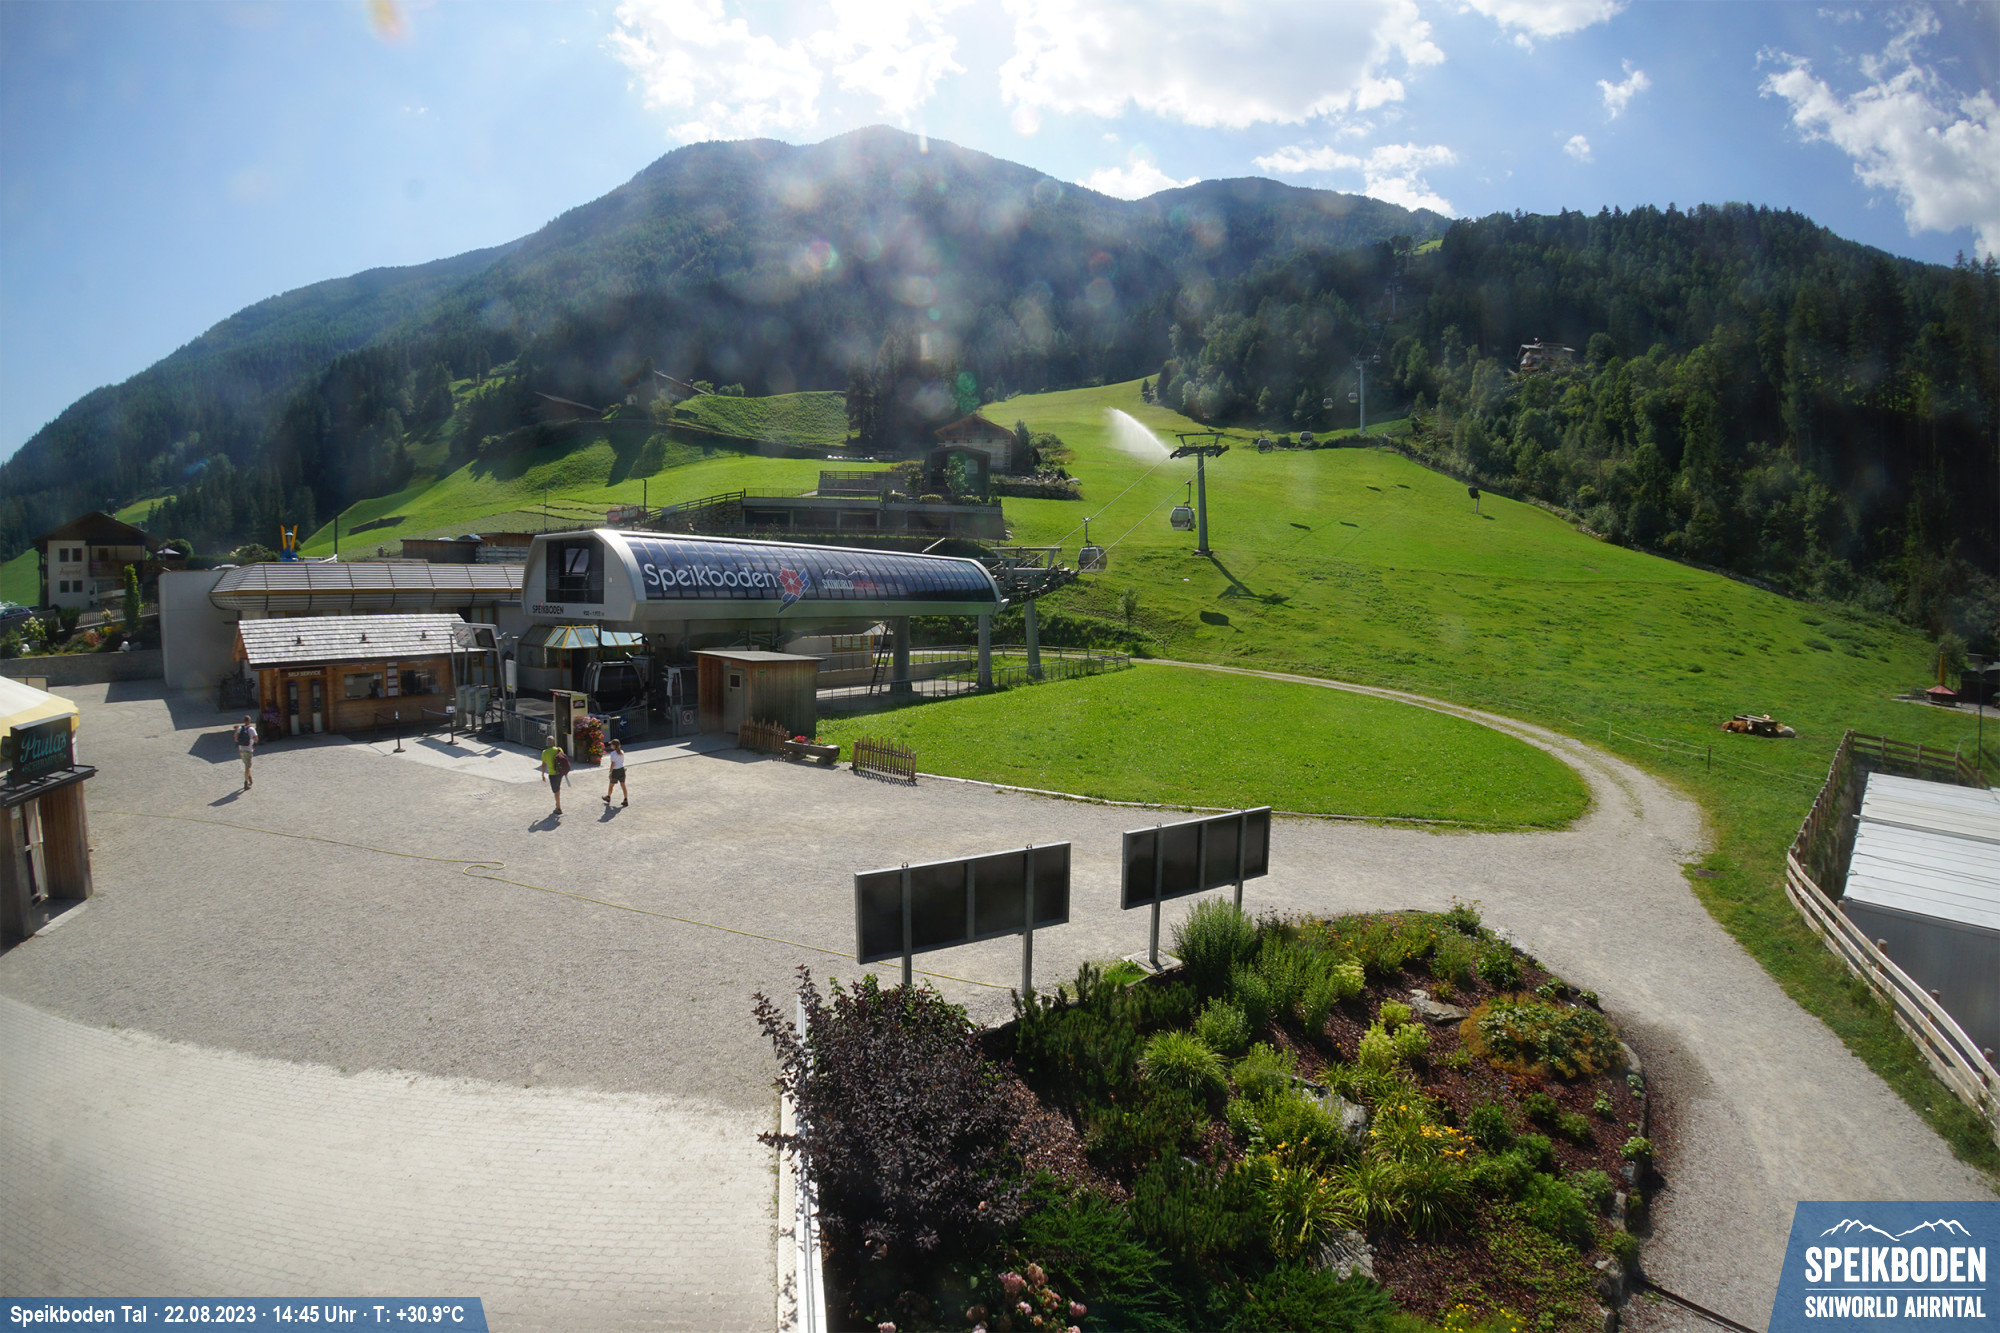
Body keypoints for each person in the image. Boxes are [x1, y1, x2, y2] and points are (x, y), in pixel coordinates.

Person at [539, 738, 567, 816]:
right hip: (560, 772)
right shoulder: (559, 749)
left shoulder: (545, 752)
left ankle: (558, 808)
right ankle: (557, 804)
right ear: (553, 742)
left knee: (556, 791)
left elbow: (543, 765)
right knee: (558, 788)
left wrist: (542, 774)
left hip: (552, 774)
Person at [234, 715, 257, 791]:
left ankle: (249, 777)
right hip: (248, 749)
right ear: (249, 721)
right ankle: (246, 783)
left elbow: (235, 736)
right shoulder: (251, 729)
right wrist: (254, 742)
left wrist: (238, 743)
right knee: (248, 766)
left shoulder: (240, 728)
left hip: (241, 749)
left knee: (246, 764)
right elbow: (256, 738)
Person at [604, 739, 628, 807]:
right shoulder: (622, 752)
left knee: (611, 785)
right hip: (622, 770)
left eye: (611, 744)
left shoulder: (613, 753)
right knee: (623, 785)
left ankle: (608, 797)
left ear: (614, 746)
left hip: (615, 771)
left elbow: (612, 764)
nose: (610, 745)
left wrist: (610, 772)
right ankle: (625, 799)